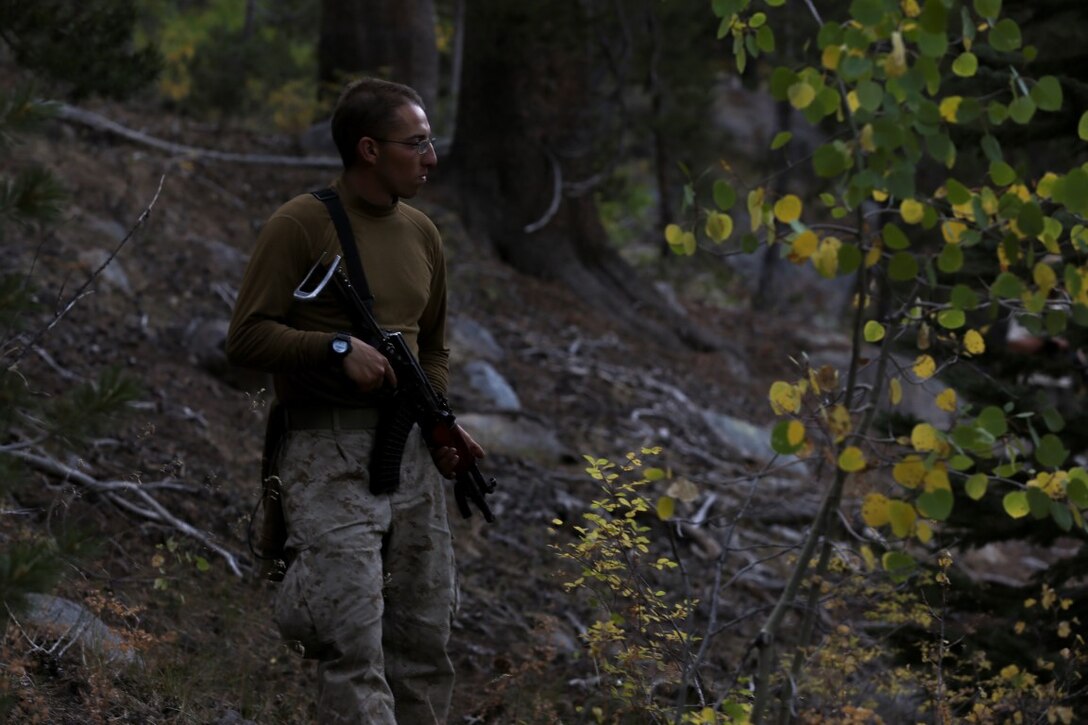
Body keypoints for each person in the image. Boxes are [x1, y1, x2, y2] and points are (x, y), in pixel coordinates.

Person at [227, 77, 482, 724]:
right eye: (416, 143)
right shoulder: (302, 224)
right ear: (369, 149)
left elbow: (435, 349)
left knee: (423, 636)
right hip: (326, 449)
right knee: (351, 636)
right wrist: (336, 350)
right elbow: (246, 336)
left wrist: (440, 420)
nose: (430, 157)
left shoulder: (423, 234)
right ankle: (303, 592)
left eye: (430, 142)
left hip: (412, 456)